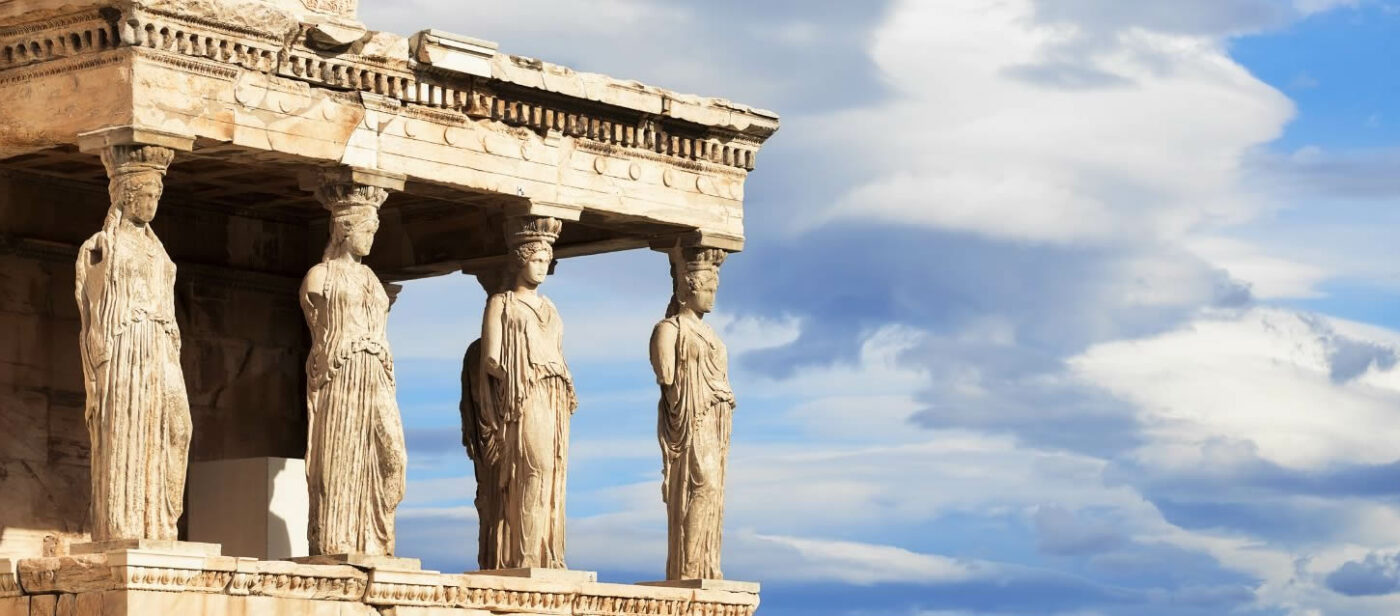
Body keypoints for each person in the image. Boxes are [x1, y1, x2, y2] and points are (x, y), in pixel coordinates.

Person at [75, 145, 191, 541]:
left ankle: (160, 520)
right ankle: (124, 525)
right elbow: (91, 309)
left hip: (160, 346)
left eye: (158, 195)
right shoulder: (102, 246)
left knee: (179, 427)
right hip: (125, 349)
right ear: (127, 194)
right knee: (126, 428)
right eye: (148, 195)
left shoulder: (159, 249)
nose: (153, 203)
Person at [463, 216, 576, 569]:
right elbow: (491, 358)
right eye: (537, 260)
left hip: (554, 394)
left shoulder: (551, 307)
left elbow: (556, 348)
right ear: (520, 260)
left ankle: (544, 554)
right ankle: (522, 555)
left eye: (546, 261)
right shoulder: (502, 303)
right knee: (533, 468)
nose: (542, 268)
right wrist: (511, 380)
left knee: (552, 473)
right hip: (521, 395)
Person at [301, 195, 406, 556]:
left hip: (376, 372)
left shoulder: (372, 279)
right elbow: (318, 325)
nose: (371, 239)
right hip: (343, 373)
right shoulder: (319, 277)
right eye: (366, 230)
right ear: (344, 231)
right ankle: (337, 539)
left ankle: (375, 537)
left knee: (392, 458)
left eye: (374, 230)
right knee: (340, 458)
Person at [650, 248, 734, 580]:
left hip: (715, 417)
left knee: (714, 490)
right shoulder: (668, 329)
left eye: (715, 289)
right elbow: (667, 376)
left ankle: (703, 564)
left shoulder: (712, 334)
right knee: (704, 486)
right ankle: (687, 565)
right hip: (691, 416)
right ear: (688, 288)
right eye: (708, 289)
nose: (713, 297)